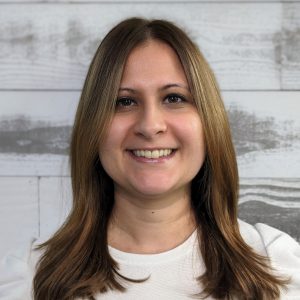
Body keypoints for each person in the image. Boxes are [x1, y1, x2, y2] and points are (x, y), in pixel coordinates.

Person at [1, 17, 300, 300]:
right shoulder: (33, 278)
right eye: (125, 101)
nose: (149, 125)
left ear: (208, 121)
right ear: (94, 126)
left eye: (174, 98)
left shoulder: (274, 266)